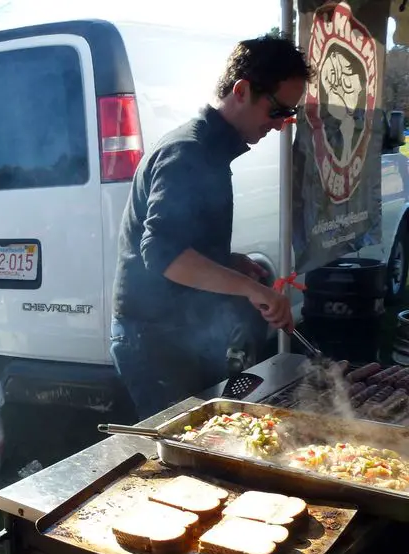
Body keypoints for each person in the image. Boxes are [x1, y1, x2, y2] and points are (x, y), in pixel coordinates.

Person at [110, 34, 311, 420]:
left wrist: (229, 262)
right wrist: (253, 289)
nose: (282, 125)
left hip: (185, 332)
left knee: (206, 434)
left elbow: (187, 243)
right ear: (242, 90)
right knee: (182, 447)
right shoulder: (188, 152)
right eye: (278, 111)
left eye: (291, 115)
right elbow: (164, 255)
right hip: (152, 338)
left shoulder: (211, 152)